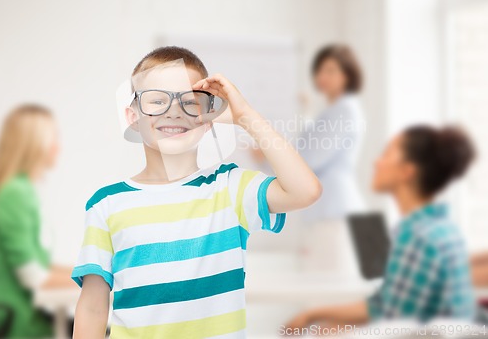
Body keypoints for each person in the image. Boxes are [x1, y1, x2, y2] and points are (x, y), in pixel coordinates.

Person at [71, 46, 322, 338]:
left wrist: (245, 116)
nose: (174, 112)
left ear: (208, 118)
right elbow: (91, 307)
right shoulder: (107, 204)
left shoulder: (230, 189)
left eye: (190, 103)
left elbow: (305, 191)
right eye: (156, 101)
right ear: (132, 117)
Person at [286, 125, 476, 332]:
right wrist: (315, 315)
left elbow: (397, 328)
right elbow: (383, 306)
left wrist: (342, 332)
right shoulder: (439, 228)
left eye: (387, 154)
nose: (376, 162)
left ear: (407, 171)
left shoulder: (417, 237)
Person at [0, 105, 75, 338]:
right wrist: (97, 283)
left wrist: (97, 273)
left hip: (28, 319)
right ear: (35, 144)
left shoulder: (23, 190)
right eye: (53, 137)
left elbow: (42, 264)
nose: (58, 147)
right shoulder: (15, 194)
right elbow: (34, 276)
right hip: (13, 322)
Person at [299, 43, 365, 221]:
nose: (322, 76)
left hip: (337, 210)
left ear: (347, 75)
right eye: (319, 70)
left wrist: (268, 158)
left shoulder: (345, 109)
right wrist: (305, 112)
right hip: (337, 209)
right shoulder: (337, 109)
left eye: (330, 70)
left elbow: (311, 157)